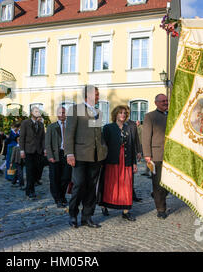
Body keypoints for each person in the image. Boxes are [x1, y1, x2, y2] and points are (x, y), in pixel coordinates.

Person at [65, 85, 107, 228]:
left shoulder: (98, 112)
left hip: (96, 157)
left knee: (91, 188)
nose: (98, 96)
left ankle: (87, 217)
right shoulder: (75, 109)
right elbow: (69, 133)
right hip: (80, 155)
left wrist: (103, 151)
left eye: (98, 94)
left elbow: (97, 135)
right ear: (88, 95)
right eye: (96, 94)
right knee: (78, 185)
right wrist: (69, 153)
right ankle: (73, 215)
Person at [98, 106, 139, 221]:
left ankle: (126, 211)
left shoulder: (129, 128)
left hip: (126, 161)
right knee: (110, 184)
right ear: (115, 114)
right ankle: (104, 205)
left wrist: (134, 163)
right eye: (120, 113)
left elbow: (131, 146)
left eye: (125, 113)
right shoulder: (108, 128)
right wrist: (101, 161)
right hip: (111, 161)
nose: (123, 115)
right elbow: (103, 146)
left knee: (126, 185)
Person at [142, 94, 169, 219]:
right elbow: (146, 136)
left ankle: (157, 195)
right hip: (156, 155)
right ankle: (161, 209)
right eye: (162, 101)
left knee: (170, 183)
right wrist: (147, 155)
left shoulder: (171, 115)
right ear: (156, 102)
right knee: (158, 183)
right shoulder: (150, 116)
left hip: (171, 156)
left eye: (166, 100)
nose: (165, 102)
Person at [46, 106, 72, 208]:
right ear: (57, 114)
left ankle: (62, 195)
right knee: (55, 178)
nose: (62, 114)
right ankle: (58, 198)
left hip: (67, 154)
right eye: (61, 113)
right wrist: (50, 156)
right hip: (55, 155)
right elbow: (47, 143)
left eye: (64, 113)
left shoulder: (70, 126)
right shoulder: (51, 127)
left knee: (66, 177)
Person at [19, 107, 45, 200]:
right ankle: (30, 191)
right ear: (31, 113)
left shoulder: (41, 124)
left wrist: (44, 149)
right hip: (28, 151)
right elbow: (22, 137)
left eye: (38, 111)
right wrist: (21, 150)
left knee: (37, 170)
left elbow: (43, 138)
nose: (37, 112)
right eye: (36, 111)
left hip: (38, 151)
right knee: (30, 171)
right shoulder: (25, 123)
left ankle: (29, 188)